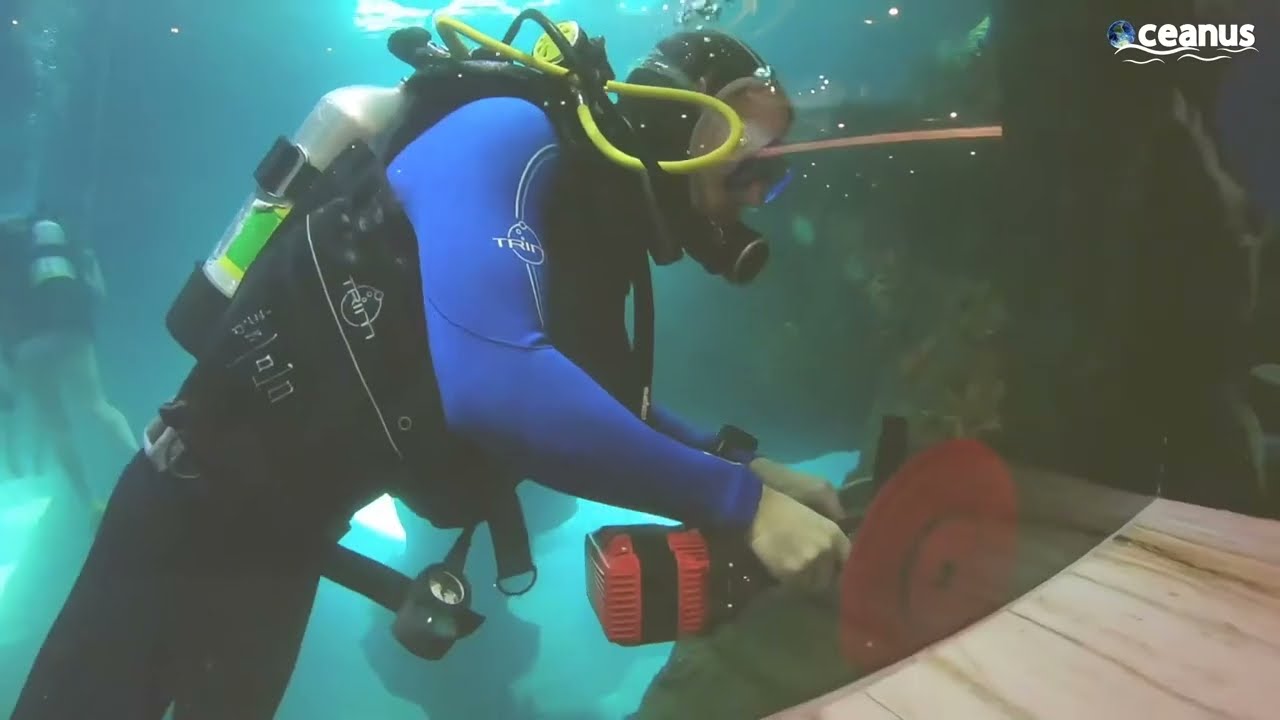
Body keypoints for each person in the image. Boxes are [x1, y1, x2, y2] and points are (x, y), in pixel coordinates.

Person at [13, 18, 849, 720]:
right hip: (184, 505)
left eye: (771, 178)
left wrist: (744, 465)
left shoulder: (585, 217)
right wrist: (741, 506)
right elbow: (499, 387)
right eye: (746, 155)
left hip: (290, 540)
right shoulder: (509, 135)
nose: (751, 192)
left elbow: (592, 394)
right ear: (675, 119)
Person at [0, 214, 137, 513]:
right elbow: (98, 292)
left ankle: (90, 500)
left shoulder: (7, 254)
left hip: (30, 347)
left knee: (56, 424)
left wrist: (11, 369)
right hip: (74, 330)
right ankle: (149, 458)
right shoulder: (59, 241)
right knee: (98, 406)